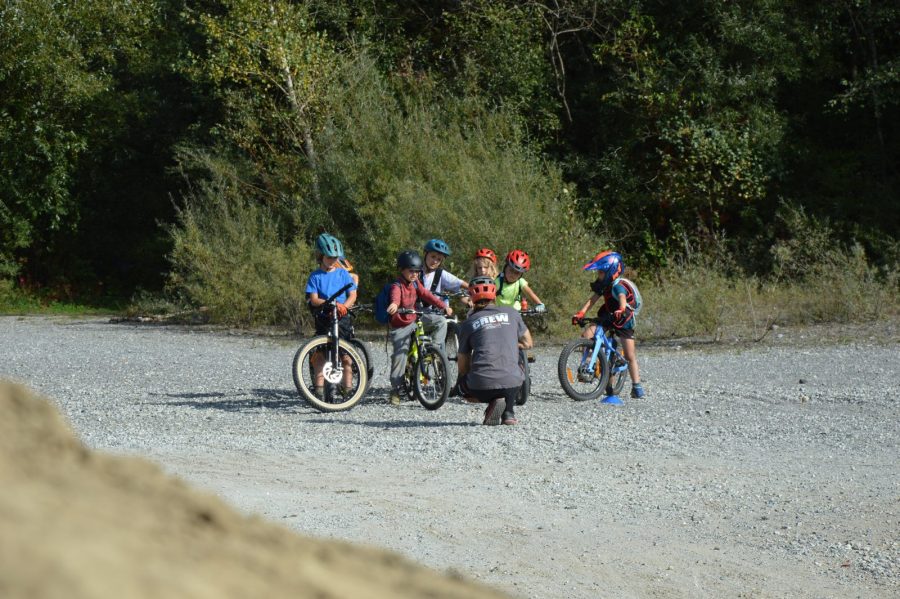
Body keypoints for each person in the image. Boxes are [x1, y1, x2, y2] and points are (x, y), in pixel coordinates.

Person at [456, 276, 533, 425]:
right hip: (513, 385)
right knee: (516, 368)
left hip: (480, 387)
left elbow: (463, 363)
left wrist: (465, 379)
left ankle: (492, 399)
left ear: (472, 297)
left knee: (461, 387)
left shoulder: (468, 323)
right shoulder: (512, 313)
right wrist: (510, 344)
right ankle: (508, 412)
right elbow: (528, 343)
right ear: (494, 294)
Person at [571, 250, 645, 399]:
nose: (598, 275)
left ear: (610, 271)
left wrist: (622, 308)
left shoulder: (618, 285)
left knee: (630, 355)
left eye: (600, 272)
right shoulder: (604, 285)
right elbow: (592, 300)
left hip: (623, 318)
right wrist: (581, 313)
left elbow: (622, 297)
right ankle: (588, 365)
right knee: (588, 334)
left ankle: (637, 386)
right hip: (609, 313)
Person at [385, 250, 453, 406]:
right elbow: (395, 298)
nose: (415, 274)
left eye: (417, 271)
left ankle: (434, 351)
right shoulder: (397, 285)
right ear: (402, 270)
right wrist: (395, 305)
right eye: (411, 271)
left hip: (415, 318)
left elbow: (427, 295)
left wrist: (443, 306)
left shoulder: (416, 283)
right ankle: (396, 389)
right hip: (401, 324)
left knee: (440, 321)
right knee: (400, 356)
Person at [305, 233, 357, 399]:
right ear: (320, 256)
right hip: (324, 316)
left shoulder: (343, 274)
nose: (332, 260)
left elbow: (352, 294)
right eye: (328, 257)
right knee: (319, 354)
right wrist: (327, 303)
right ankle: (319, 390)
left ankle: (348, 389)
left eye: (335, 257)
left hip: (342, 317)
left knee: (346, 356)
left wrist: (344, 306)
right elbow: (313, 299)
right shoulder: (315, 276)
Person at [419, 239, 469, 347]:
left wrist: (475, 290)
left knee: (443, 321)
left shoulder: (440, 274)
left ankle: (436, 352)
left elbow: (459, 283)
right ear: (425, 254)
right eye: (433, 257)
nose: (435, 261)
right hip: (417, 314)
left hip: (433, 314)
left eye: (439, 259)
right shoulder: (415, 272)